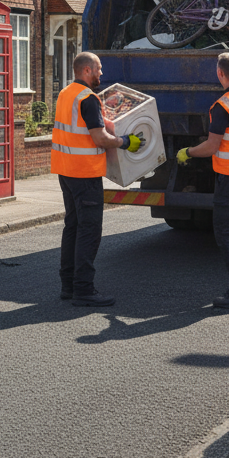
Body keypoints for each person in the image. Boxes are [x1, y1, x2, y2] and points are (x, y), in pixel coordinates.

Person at [51, 51, 143, 307]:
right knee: (89, 232)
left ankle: (68, 286)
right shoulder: (88, 98)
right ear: (86, 70)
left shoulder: (66, 93)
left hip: (65, 171)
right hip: (85, 173)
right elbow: (100, 138)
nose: (101, 73)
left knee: (72, 227)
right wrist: (125, 142)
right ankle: (84, 290)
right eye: (98, 68)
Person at [177, 52, 229, 309]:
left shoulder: (223, 107)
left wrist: (188, 152)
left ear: (220, 74)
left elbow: (211, 146)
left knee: (225, 231)